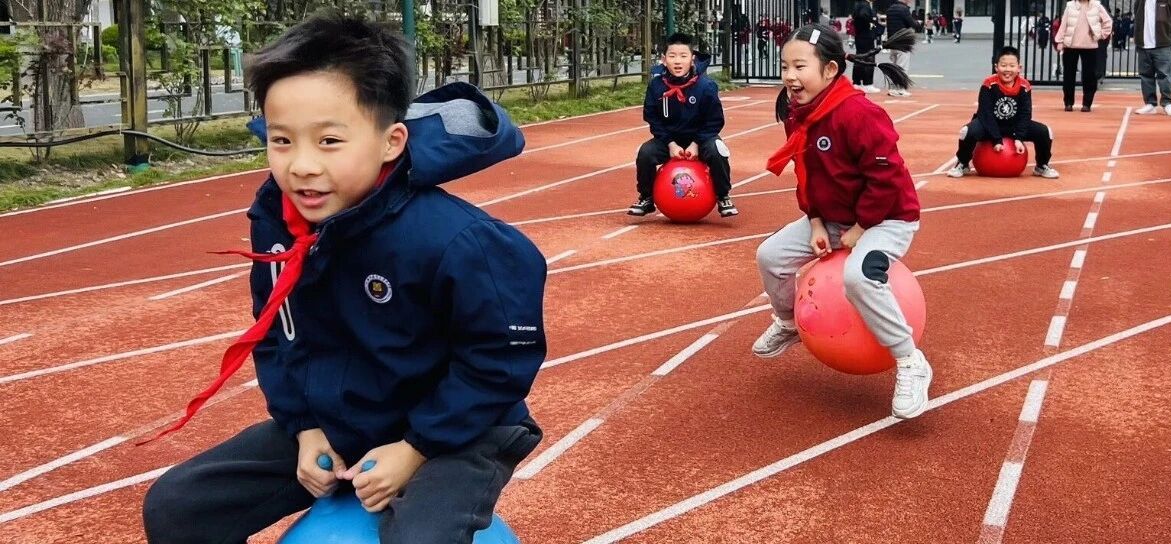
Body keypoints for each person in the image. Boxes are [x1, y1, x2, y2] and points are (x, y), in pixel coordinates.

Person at [141, 15, 546, 543]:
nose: (302, 165)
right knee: (178, 508)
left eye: (329, 141)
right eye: (282, 141)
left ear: (391, 141)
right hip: (344, 419)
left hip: (460, 427)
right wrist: (304, 427)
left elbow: (498, 363)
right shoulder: (278, 224)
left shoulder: (459, 242)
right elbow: (277, 334)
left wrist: (416, 448)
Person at [754, 24, 931, 420]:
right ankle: (788, 323)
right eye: (785, 66)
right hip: (833, 218)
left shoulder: (859, 113)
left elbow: (886, 177)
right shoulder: (799, 113)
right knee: (770, 256)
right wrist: (816, 221)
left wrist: (862, 228)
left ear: (830, 69)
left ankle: (910, 361)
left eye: (800, 66)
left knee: (858, 277)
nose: (789, 76)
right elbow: (806, 174)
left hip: (886, 219)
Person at [629, 32, 737, 217]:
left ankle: (723, 196)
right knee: (645, 153)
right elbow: (652, 118)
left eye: (683, 56)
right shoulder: (656, 86)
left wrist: (696, 143)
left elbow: (715, 120)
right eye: (672, 56)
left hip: (701, 138)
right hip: (668, 139)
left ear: (692, 59)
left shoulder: (706, 86)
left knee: (717, 151)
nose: (677, 61)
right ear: (664, 59)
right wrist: (670, 144)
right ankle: (646, 198)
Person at [948, 46, 1060, 180]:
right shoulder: (989, 84)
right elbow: (985, 114)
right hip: (989, 125)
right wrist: (996, 139)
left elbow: (1025, 114)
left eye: (1012, 66)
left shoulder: (1024, 86)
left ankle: (1042, 165)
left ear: (1019, 68)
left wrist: (1019, 138)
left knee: (1045, 132)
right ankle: (962, 163)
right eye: (1003, 65)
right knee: (966, 131)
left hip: (1013, 126)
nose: (1007, 69)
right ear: (996, 67)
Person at [1054, 0, 1113, 111]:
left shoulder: (1097, 5)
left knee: (1089, 76)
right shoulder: (1070, 5)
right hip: (1070, 45)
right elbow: (1064, 25)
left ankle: (1087, 103)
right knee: (1068, 75)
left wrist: (1100, 35)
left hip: (1090, 46)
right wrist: (1060, 41)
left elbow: (1108, 21)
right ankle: (1068, 103)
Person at [1133, 0, 1171, 116]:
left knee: (1165, 75)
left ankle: (1167, 103)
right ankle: (1150, 103)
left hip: (1163, 44)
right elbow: (1137, 14)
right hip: (1143, 44)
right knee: (1145, 75)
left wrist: (1166, 33)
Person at [885, 0, 921, 96]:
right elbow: (912, 24)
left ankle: (892, 88)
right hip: (902, 41)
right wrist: (918, 23)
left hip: (892, 40)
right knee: (902, 66)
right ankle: (901, 89)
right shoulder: (903, 9)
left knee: (894, 66)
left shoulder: (890, 9)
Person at [851, 0, 881, 93]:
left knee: (860, 59)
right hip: (866, 36)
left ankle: (857, 83)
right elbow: (863, 16)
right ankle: (867, 84)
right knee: (868, 59)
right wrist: (871, 22)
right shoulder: (865, 5)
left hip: (860, 36)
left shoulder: (859, 4)